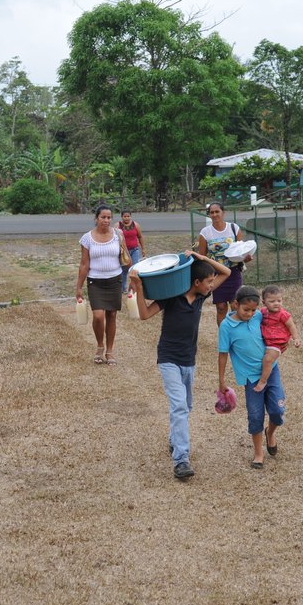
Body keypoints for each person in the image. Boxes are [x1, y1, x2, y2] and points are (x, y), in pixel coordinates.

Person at [129, 250, 231, 480]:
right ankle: (181, 460)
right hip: (168, 359)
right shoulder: (171, 296)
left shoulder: (202, 297)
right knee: (179, 407)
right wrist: (139, 287)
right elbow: (144, 315)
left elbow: (225, 271)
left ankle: (175, 438)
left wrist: (199, 257)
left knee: (186, 406)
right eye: (208, 282)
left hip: (189, 360)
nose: (211, 286)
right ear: (197, 282)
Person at [217, 285, 287, 470]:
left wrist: (284, 341)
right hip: (251, 378)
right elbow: (223, 353)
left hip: (271, 371)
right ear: (235, 304)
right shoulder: (226, 326)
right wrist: (222, 380)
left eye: (253, 310)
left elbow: (279, 315)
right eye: (245, 309)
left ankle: (270, 433)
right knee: (255, 415)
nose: (250, 314)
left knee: (277, 412)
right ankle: (258, 453)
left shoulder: (259, 315)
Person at [76, 205, 124, 365]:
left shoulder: (118, 235)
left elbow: (126, 258)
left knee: (111, 315)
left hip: (115, 280)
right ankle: (99, 345)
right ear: (96, 218)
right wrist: (78, 287)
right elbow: (84, 264)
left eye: (109, 217)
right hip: (95, 281)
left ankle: (109, 351)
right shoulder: (87, 238)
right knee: (98, 316)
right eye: (103, 217)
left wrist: (132, 279)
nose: (106, 220)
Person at [198, 202, 252, 325]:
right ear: (209, 215)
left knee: (235, 305)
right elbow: (202, 257)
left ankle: (237, 334)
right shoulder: (205, 233)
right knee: (221, 307)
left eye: (217, 211)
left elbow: (241, 251)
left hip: (233, 272)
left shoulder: (234, 228)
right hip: (217, 275)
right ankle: (224, 336)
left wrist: (246, 258)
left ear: (223, 213)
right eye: (212, 212)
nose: (215, 214)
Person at [253, 285, 301, 393]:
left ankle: (263, 381)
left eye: (279, 300)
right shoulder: (263, 312)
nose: (276, 303)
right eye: (272, 301)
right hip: (266, 340)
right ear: (264, 302)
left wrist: (296, 338)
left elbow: (291, 326)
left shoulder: (283, 314)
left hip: (277, 343)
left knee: (268, 359)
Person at [116, 210, 146, 292]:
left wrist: (143, 249)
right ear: (122, 217)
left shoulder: (136, 225)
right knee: (124, 270)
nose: (126, 218)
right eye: (125, 216)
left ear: (131, 216)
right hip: (123, 252)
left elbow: (140, 237)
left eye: (128, 216)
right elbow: (114, 238)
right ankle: (123, 288)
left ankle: (135, 287)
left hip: (135, 250)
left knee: (135, 268)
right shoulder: (117, 226)